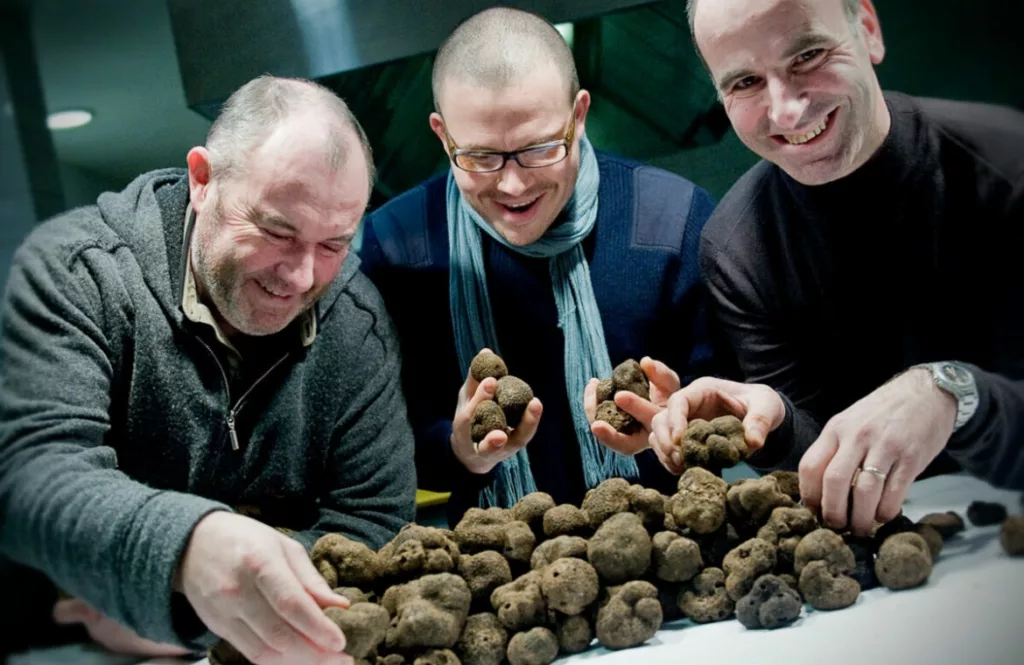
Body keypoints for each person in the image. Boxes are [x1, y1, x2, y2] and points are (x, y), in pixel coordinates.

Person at [0, 75, 416, 665]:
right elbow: (33, 474)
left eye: (333, 244)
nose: (301, 277)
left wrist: (208, 610)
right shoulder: (75, 272)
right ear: (202, 180)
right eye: (277, 231)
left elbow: (376, 522)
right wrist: (186, 548)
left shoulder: (355, 319)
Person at [648, 0, 1024, 537]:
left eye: (808, 55)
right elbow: (816, 469)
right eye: (746, 82)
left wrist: (953, 394)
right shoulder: (737, 249)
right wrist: (776, 421)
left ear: (868, 30)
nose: (786, 111)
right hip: (891, 563)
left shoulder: (1009, 167)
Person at [358, 7, 719, 524]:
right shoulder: (396, 247)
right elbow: (370, 457)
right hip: (493, 579)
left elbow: (741, 415)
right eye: (481, 157)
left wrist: (676, 425)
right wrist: (457, 450)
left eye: (539, 149)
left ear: (579, 115)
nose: (513, 185)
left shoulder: (674, 220)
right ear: (442, 136)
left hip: (664, 554)